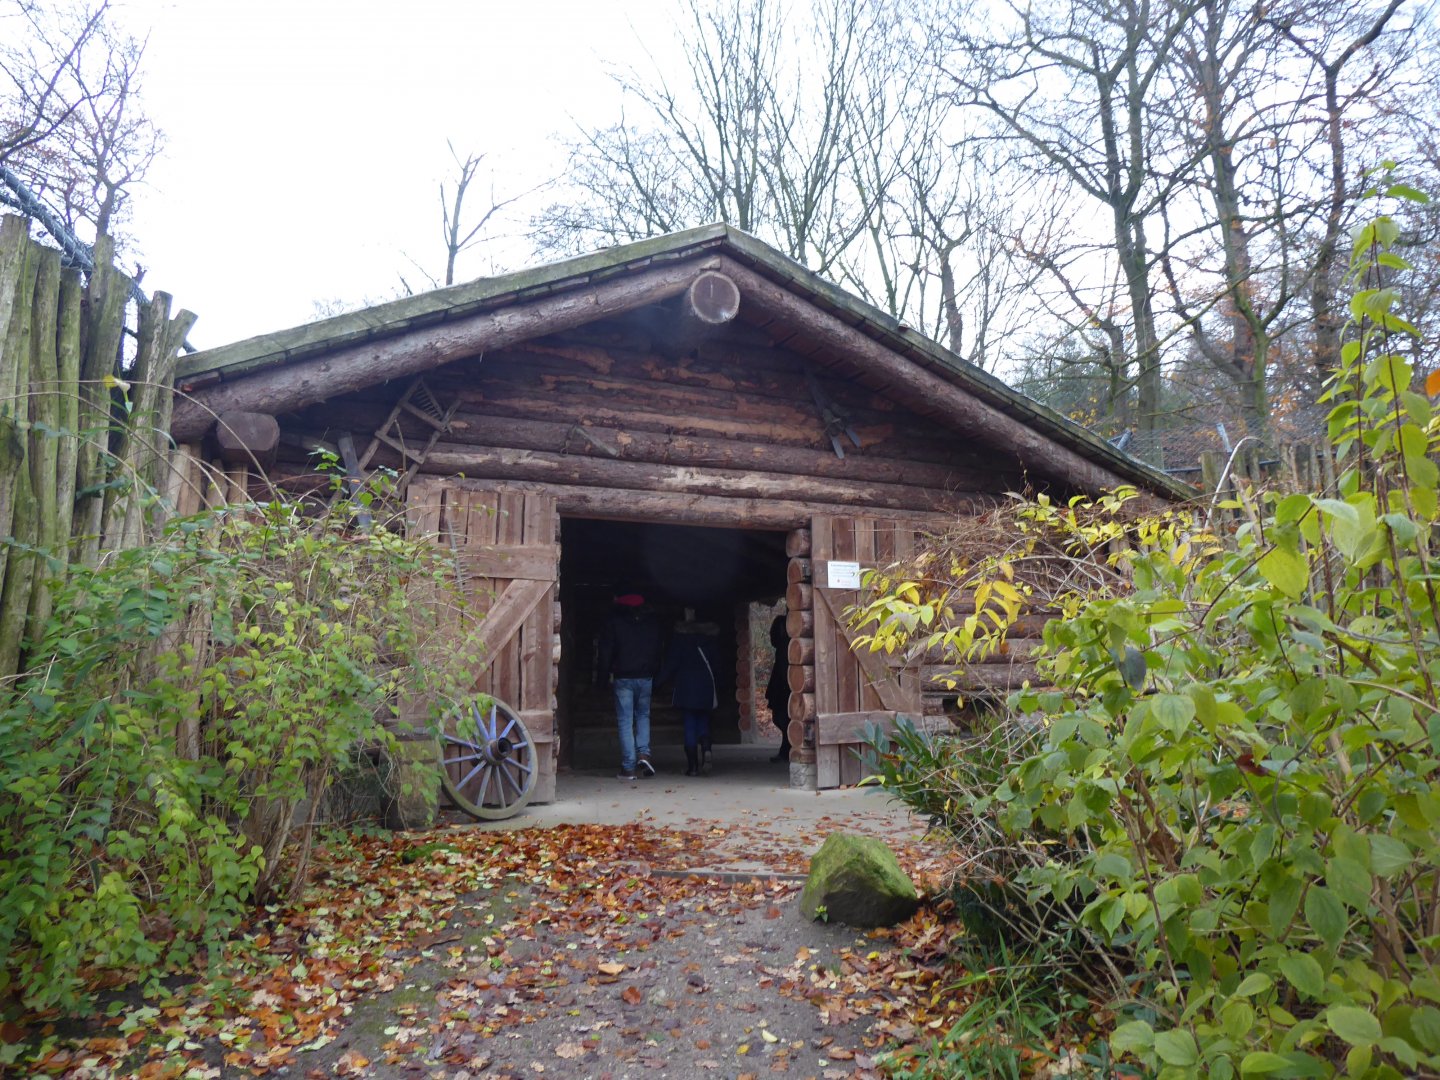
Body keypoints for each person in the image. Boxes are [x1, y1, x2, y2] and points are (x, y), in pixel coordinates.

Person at [596, 592, 664, 781]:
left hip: (623, 677)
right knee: (643, 715)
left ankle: (628, 767)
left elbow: (606, 652)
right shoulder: (651, 622)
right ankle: (644, 755)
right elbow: (658, 649)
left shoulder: (614, 622)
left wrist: (601, 680)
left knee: (625, 720)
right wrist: (655, 674)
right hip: (646, 676)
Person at [658, 614, 721, 777]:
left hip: (686, 687)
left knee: (689, 725)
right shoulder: (710, 640)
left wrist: (656, 683)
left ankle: (692, 767)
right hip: (706, 686)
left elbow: (671, 665)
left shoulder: (680, 641)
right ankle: (707, 750)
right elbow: (718, 666)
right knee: (704, 722)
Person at [765, 610, 791, 762]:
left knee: (783, 718)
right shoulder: (785, 645)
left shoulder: (785, 646)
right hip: (782, 686)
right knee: (781, 719)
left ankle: (786, 751)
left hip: (783, 687)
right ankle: (785, 750)